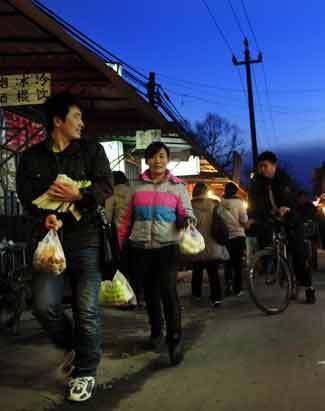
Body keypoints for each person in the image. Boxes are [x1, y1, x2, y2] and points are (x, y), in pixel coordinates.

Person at [16, 92, 113, 402]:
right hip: (49, 244)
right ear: (58, 121)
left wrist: (78, 197)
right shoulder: (31, 157)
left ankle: (85, 371)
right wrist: (45, 217)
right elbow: (26, 196)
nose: (82, 123)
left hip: (86, 240)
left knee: (87, 310)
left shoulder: (91, 151)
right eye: (76, 117)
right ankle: (75, 344)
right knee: (44, 306)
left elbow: (105, 186)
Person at [118, 141, 195, 365]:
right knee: (150, 294)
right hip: (141, 248)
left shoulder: (177, 186)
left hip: (168, 247)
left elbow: (188, 214)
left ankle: (175, 338)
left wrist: (187, 220)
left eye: (162, 156)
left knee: (168, 292)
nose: (157, 160)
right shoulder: (136, 187)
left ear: (167, 159)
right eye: (153, 157)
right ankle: (156, 332)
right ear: (147, 161)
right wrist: (121, 245)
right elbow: (125, 220)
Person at [247, 151, 316, 304]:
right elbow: (253, 200)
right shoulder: (258, 181)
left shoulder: (283, 178)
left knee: (299, 254)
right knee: (265, 236)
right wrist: (252, 217)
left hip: (292, 219)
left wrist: (286, 207)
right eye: (260, 166)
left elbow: (289, 197)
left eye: (265, 166)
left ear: (274, 166)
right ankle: (277, 266)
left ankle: (309, 287)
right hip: (273, 219)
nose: (262, 169)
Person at [191, 182, 229, 307]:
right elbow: (225, 221)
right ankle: (216, 298)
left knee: (197, 272)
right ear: (206, 192)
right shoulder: (215, 205)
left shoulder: (190, 207)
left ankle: (196, 295)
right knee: (213, 273)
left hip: (196, 246)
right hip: (213, 245)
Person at [221, 182, 248, 296]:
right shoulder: (238, 203)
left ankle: (228, 285)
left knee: (227, 263)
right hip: (238, 236)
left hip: (225, 237)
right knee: (238, 265)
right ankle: (237, 289)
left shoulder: (220, 203)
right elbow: (243, 219)